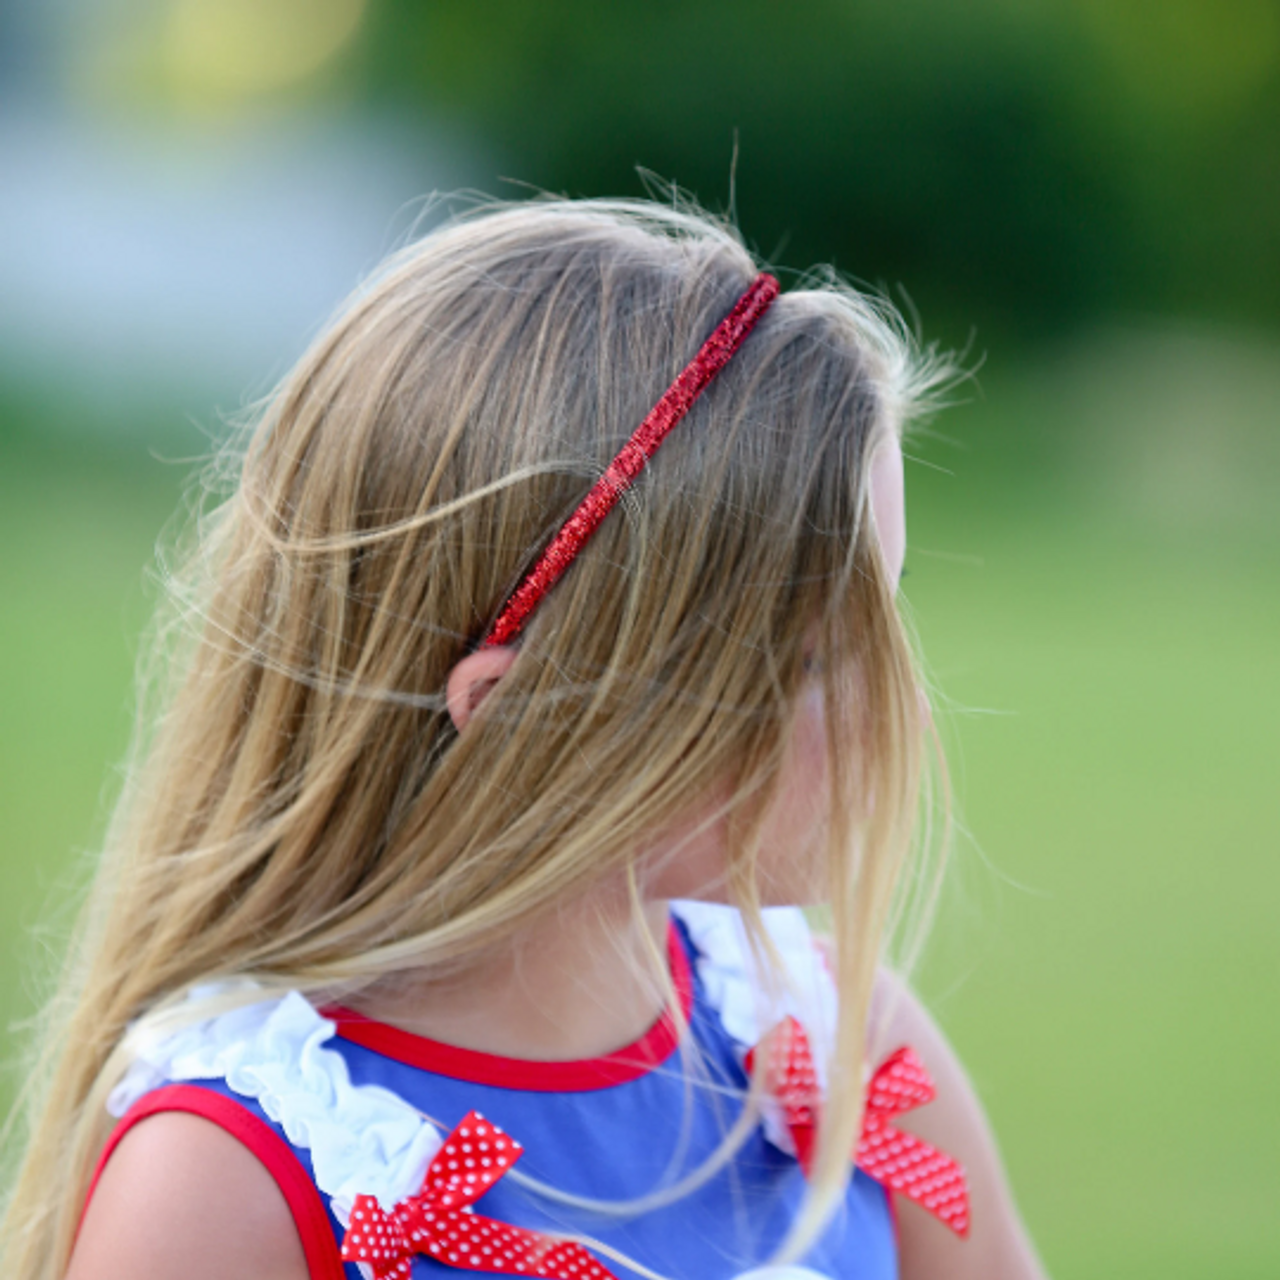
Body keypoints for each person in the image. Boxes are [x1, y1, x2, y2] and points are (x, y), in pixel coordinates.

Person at [2, 198, 1046, 1280]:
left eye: (886, 613)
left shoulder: (835, 1040)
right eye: (811, 662)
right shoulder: (247, 1175)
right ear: (522, 713)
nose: (909, 711)